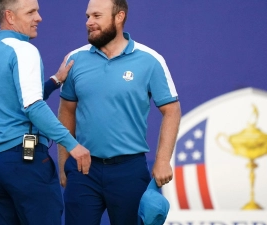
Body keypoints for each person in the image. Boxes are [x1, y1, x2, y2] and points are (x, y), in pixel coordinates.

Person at [57, 0, 181, 224]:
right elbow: (66, 112)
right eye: (87, 16)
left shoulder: (150, 60)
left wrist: (163, 161)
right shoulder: (75, 59)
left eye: (96, 16)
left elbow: (172, 110)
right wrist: (64, 163)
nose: (89, 22)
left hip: (129, 171)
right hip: (83, 170)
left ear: (119, 17)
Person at [0, 0, 91, 224]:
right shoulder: (24, 49)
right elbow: (33, 107)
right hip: (25, 165)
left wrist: (55, 81)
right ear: (10, 16)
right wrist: (72, 145)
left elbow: (15, 101)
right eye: (31, 12)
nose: (39, 18)